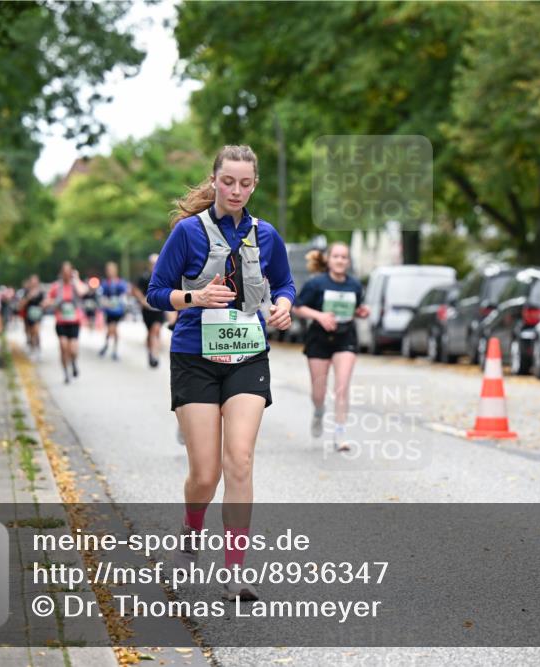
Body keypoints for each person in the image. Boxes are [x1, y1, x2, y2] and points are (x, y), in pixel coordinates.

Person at [146, 145, 294, 601]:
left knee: (240, 461)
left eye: (245, 183)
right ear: (214, 180)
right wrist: (193, 299)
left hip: (248, 354)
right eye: (228, 181)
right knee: (206, 474)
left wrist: (284, 305)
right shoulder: (188, 233)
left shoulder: (266, 234)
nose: (236, 190)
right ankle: (191, 536)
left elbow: (284, 282)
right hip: (195, 356)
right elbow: (155, 292)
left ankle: (234, 574)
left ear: (255, 185)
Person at [292, 243, 370, 451]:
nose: (340, 260)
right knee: (319, 391)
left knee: (342, 387)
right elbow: (296, 307)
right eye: (336, 256)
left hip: (345, 337)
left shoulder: (354, 285)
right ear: (328, 260)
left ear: (348, 261)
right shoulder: (316, 284)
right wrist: (319, 316)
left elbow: (354, 309)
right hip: (318, 339)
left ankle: (340, 434)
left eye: (344, 257)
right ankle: (318, 411)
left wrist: (360, 312)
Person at [43, 262, 88, 384]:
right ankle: (66, 372)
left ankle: (73, 363)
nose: (67, 274)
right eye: (64, 272)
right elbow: (47, 299)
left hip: (74, 321)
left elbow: (83, 292)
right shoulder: (56, 286)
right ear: (61, 273)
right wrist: (49, 302)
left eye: (69, 272)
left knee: (73, 349)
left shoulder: (75, 285)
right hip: (61, 321)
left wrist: (76, 278)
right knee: (63, 347)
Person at [132, 253, 175, 369]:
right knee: (151, 332)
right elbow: (135, 290)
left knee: (155, 330)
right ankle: (150, 352)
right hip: (147, 310)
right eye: (153, 263)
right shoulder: (144, 277)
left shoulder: (164, 276)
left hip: (159, 309)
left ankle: (155, 356)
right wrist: (143, 301)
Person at [98, 261, 129, 361]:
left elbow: (124, 295)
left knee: (114, 329)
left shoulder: (120, 283)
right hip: (109, 310)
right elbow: (101, 296)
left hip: (118, 310)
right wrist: (105, 303)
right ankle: (107, 345)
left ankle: (113, 349)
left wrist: (123, 304)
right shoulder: (105, 283)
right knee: (110, 329)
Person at [20, 275, 46, 359]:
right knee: (31, 333)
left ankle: (38, 349)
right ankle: (33, 348)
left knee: (36, 331)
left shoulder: (41, 292)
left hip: (38, 314)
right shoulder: (27, 292)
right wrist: (29, 297)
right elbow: (22, 304)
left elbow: (45, 302)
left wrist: (43, 306)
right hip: (29, 314)